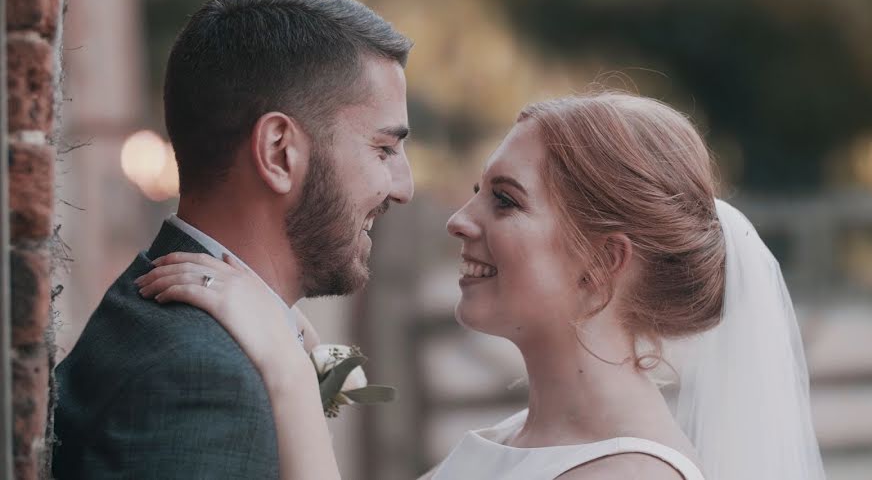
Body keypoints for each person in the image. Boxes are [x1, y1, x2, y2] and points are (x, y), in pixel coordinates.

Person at [140, 91, 826, 479]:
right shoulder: (514, 438)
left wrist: (288, 379)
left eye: (505, 200)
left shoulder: (632, 477)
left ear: (601, 264)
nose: (460, 222)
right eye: (476, 193)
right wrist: (304, 364)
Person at [52, 0, 412, 479]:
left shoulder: (171, 327)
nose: (404, 188)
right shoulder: (204, 379)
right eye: (384, 149)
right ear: (279, 152)